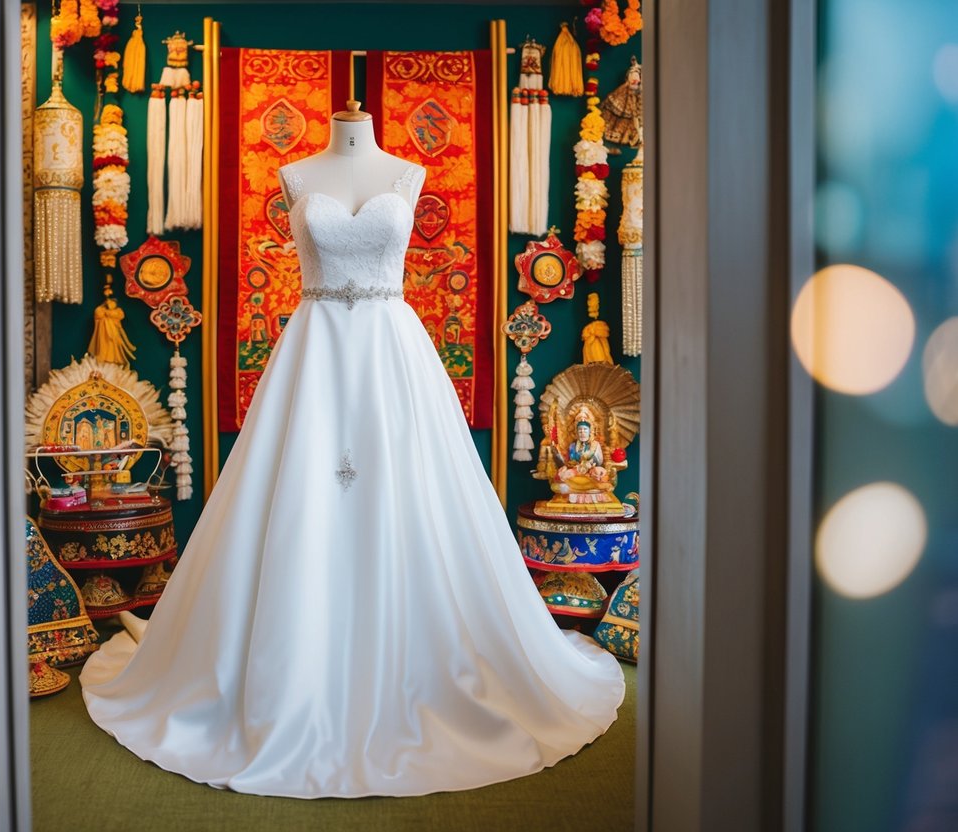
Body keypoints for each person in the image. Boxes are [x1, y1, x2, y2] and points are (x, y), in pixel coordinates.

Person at [79, 101, 625, 799]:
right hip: (314, 354)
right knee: (302, 493)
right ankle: (282, 674)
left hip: (391, 352)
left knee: (411, 496)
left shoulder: (408, 173)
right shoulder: (295, 174)